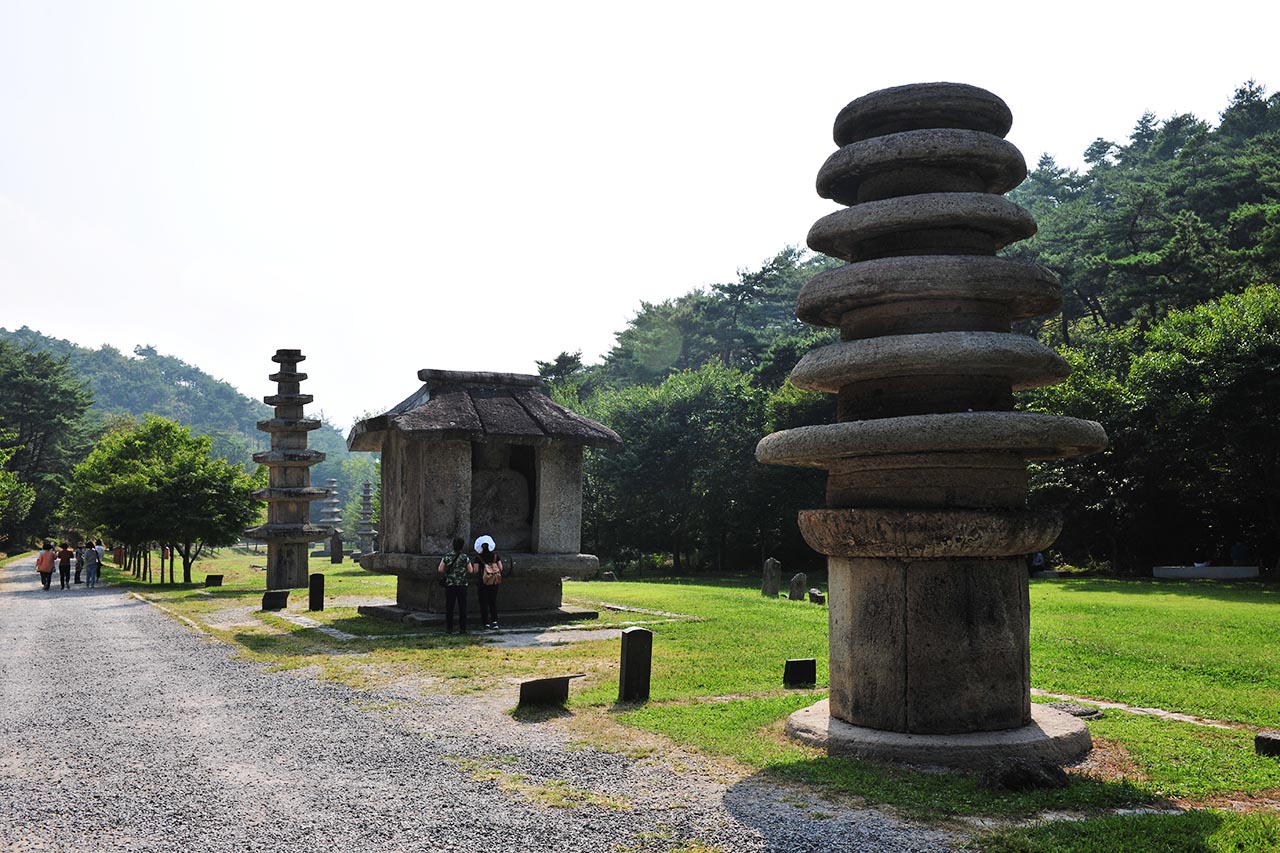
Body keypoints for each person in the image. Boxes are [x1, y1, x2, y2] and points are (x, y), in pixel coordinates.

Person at [436, 536, 475, 634]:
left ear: (453, 545)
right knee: (462, 607)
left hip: (450, 584)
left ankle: (449, 628)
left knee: (449, 607)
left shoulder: (447, 556)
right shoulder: (464, 557)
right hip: (462, 585)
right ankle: (463, 629)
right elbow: (471, 570)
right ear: (462, 546)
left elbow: (440, 569)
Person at [472, 534, 504, 630]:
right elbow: (501, 568)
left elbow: (476, 570)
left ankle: (485, 622)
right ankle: (495, 622)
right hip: (494, 582)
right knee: (492, 602)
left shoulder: (478, 558)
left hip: (483, 582)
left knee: (483, 603)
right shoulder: (495, 556)